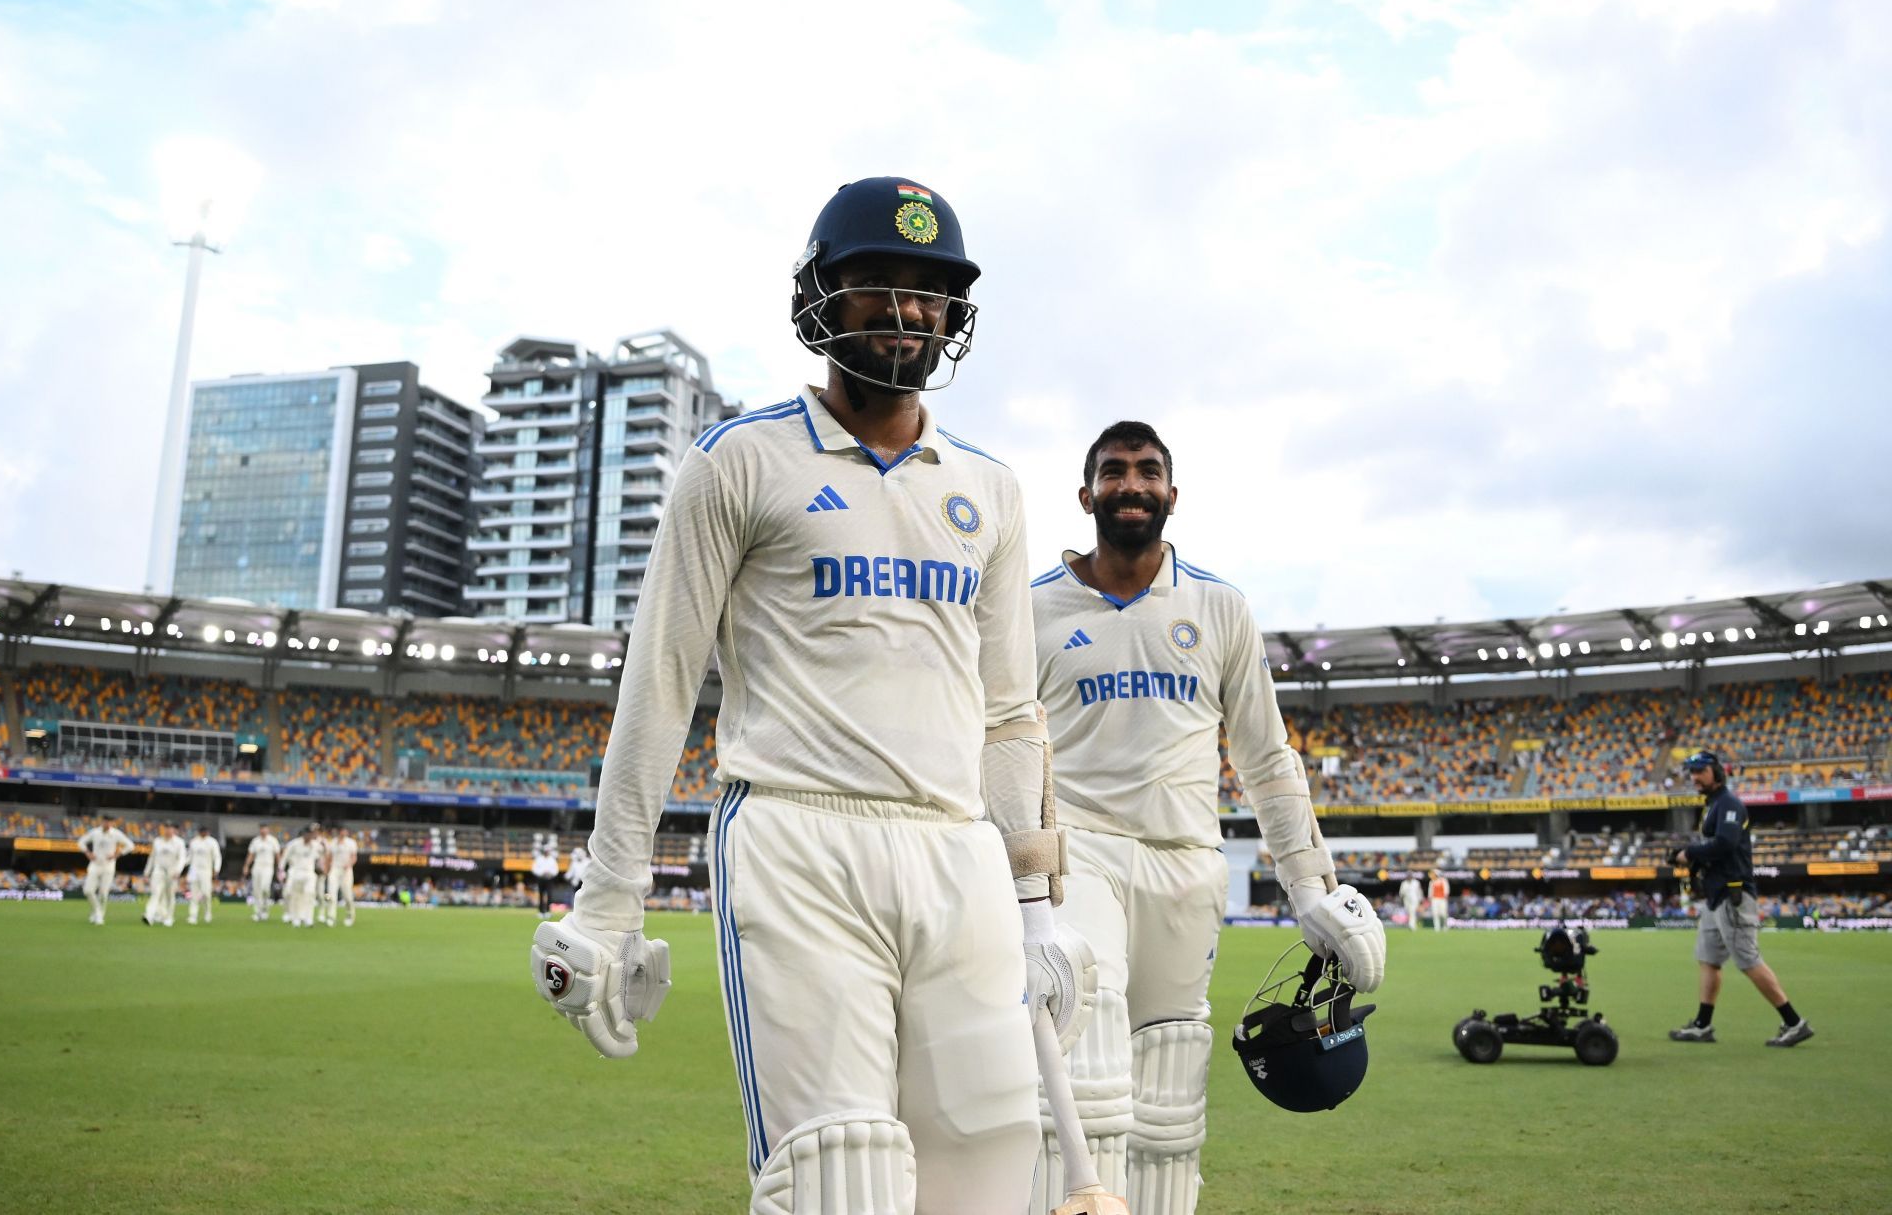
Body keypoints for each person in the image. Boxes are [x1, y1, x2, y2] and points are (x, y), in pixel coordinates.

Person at [531, 177, 1089, 1214]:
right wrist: (610, 899)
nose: (908, 308)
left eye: (930, 290)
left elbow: (1013, 714)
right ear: (819, 296)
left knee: (988, 1175)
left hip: (958, 848)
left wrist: (1037, 910)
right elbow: (659, 682)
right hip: (798, 838)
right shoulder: (738, 462)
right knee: (840, 1179)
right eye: (878, 280)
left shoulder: (994, 491)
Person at [1027, 421, 1386, 1213]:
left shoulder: (1220, 606)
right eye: (1113, 472)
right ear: (1086, 495)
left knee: (1169, 1097)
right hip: (1080, 852)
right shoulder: (1032, 608)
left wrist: (1310, 887)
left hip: (1188, 861)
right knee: (1087, 1076)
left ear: (1172, 495)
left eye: (1147, 471)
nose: (1131, 484)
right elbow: (1005, 744)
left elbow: (1265, 757)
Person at [1669, 751, 1812, 1047]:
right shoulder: (1713, 806)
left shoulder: (1729, 804)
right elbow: (1715, 849)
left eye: (1701, 771)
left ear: (1717, 772)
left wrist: (1691, 853)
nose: (1695, 777)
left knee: (1748, 960)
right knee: (1708, 959)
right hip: (1715, 895)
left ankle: (1794, 1022)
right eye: (1692, 772)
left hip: (1733, 894)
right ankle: (1702, 1025)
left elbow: (1725, 843)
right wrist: (1689, 859)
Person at [77, 816, 135, 925]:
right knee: (88, 890)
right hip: (95, 865)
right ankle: (96, 911)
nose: (107, 824)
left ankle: (99, 916)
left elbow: (130, 845)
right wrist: (87, 853)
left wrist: (117, 854)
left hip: (108, 866)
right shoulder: (95, 832)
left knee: (103, 893)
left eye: (110, 822)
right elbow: (81, 842)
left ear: (113, 823)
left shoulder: (116, 834)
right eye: (105, 821)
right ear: (102, 822)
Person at [142, 822, 187, 927]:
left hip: (172, 872)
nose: (168, 830)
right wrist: (146, 873)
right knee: (156, 893)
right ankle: (149, 915)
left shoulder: (179, 842)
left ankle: (169, 917)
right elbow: (152, 858)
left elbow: (182, 858)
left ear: (174, 830)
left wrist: (178, 870)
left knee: (169, 895)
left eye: (170, 828)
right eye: (166, 828)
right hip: (159, 870)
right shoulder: (157, 841)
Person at [280, 825, 322, 928]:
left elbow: (324, 853)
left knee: (310, 894)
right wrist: (281, 870)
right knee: (295, 896)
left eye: (312, 834)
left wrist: (322, 867)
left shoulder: (316, 845)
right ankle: (296, 918)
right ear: (304, 834)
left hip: (309, 873)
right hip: (296, 872)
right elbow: (284, 857)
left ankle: (308, 919)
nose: (310, 836)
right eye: (308, 834)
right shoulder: (294, 844)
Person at [184, 825, 222, 925]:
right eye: (201, 831)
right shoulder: (194, 842)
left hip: (206, 871)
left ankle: (207, 913)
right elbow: (189, 857)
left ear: (208, 832)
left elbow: (217, 856)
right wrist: (181, 864)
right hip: (194, 870)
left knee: (206, 893)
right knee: (194, 894)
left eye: (205, 831)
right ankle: (193, 915)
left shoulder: (212, 842)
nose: (203, 833)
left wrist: (216, 869)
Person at [323, 825, 359, 927]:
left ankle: (350, 916)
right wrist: (326, 871)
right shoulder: (332, 842)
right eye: (342, 831)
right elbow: (328, 858)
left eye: (345, 831)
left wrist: (349, 864)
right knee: (331, 895)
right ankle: (331, 917)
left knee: (347, 896)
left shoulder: (351, 843)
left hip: (346, 871)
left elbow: (354, 857)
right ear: (339, 832)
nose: (343, 833)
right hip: (335, 869)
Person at [246, 825, 281, 922]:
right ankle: (258, 912)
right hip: (257, 866)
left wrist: (280, 868)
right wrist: (246, 866)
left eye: (264, 828)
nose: (263, 830)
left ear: (268, 830)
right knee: (256, 891)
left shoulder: (273, 841)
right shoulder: (255, 841)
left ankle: (265, 910)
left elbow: (277, 855)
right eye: (261, 829)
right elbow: (251, 855)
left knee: (265, 888)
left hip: (268, 867)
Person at [529, 832, 560, 915]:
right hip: (541, 878)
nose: (546, 852)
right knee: (541, 895)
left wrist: (550, 873)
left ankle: (547, 911)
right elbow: (534, 868)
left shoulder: (552, 859)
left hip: (549, 879)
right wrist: (542, 873)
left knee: (549, 895)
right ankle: (541, 911)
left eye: (547, 851)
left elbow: (556, 869)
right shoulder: (539, 859)